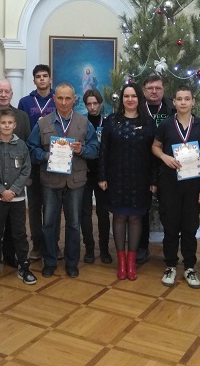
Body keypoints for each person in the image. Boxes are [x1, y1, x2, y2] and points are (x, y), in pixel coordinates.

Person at [27, 83, 99, 278]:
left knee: (74, 224)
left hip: (76, 181)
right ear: (54, 99)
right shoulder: (43, 124)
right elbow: (31, 149)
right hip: (50, 181)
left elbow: (95, 149)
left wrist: (82, 150)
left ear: (74, 99)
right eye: (60, 98)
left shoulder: (84, 123)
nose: (64, 102)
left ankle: (71, 262)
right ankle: (50, 261)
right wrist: (45, 155)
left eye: (68, 98)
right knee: (49, 223)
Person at [152, 86, 200, 289]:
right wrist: (164, 156)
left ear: (193, 101)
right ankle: (170, 265)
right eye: (179, 99)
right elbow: (155, 146)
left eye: (187, 98)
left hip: (194, 184)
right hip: (169, 183)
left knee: (190, 227)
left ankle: (189, 266)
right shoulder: (166, 125)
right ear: (174, 102)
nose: (183, 102)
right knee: (170, 226)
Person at [98, 84, 156, 280]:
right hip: (117, 178)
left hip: (140, 179)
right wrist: (102, 176)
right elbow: (104, 150)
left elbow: (154, 155)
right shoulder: (111, 121)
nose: (130, 99)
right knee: (120, 217)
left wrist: (153, 180)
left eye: (133, 96)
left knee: (135, 218)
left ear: (139, 99)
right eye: (126, 96)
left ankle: (132, 262)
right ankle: (121, 262)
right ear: (122, 99)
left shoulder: (148, 123)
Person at [0, 109, 36, 286]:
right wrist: (1, 190)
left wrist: (13, 190)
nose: (7, 126)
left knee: (19, 233)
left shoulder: (21, 146)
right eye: (3, 123)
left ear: (15, 125)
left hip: (17, 198)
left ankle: (24, 266)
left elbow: (26, 170)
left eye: (10, 123)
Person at [0, 79, 32, 266]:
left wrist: (15, 188)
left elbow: (26, 148)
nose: (3, 94)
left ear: (12, 94)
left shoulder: (22, 116)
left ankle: (12, 257)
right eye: (0, 91)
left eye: (7, 91)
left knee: (17, 228)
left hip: (16, 186)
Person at [17, 64, 56, 260]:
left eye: (45, 76)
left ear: (50, 79)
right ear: (34, 80)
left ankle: (53, 244)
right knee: (34, 205)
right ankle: (37, 244)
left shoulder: (58, 99)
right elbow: (21, 130)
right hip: (31, 159)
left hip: (54, 158)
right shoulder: (25, 102)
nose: (41, 79)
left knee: (52, 205)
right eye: (38, 76)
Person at [137, 74, 176, 264]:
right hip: (142, 165)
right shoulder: (136, 108)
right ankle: (142, 247)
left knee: (168, 210)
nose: (154, 91)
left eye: (158, 88)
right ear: (144, 91)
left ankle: (170, 252)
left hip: (166, 165)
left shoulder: (172, 109)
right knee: (142, 209)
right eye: (150, 88)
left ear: (163, 90)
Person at [81, 89, 111, 264]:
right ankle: (89, 249)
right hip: (84, 173)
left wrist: (105, 175)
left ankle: (104, 249)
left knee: (103, 213)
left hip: (103, 175)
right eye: (89, 104)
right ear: (85, 105)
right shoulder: (81, 123)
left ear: (100, 104)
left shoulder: (107, 123)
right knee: (85, 213)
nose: (92, 107)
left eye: (95, 103)